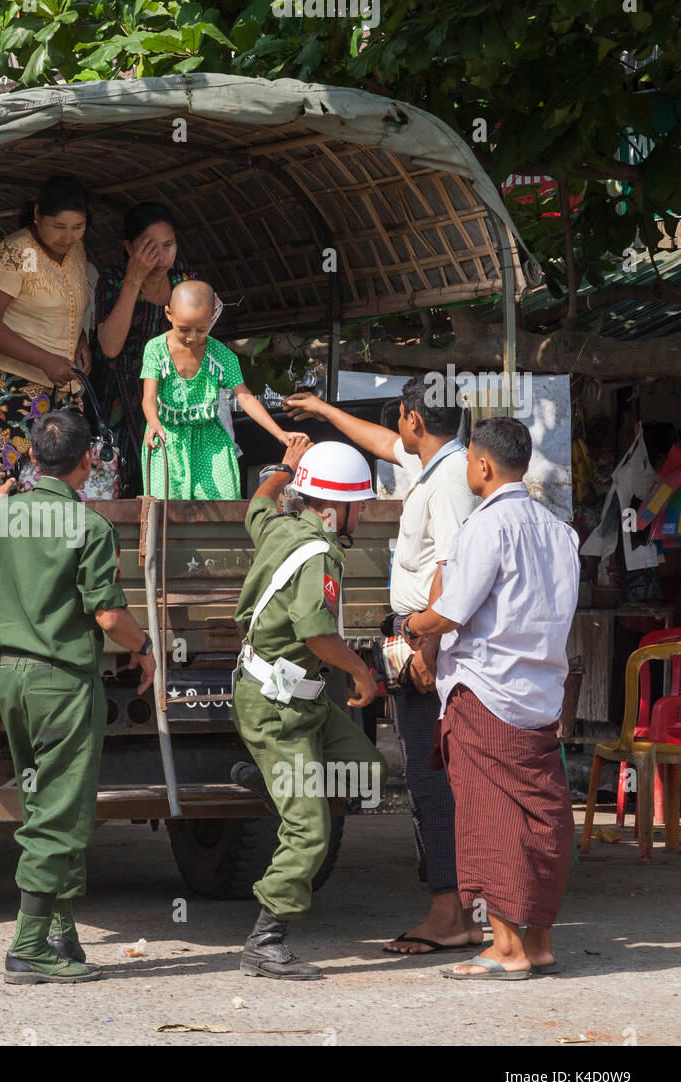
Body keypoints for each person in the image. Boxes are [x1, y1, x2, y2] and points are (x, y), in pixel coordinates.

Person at [0, 410, 156, 984]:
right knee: (61, 813)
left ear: (34, 461)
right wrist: (143, 650)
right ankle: (28, 945)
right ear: (88, 460)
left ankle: (62, 933)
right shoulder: (88, 527)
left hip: (12, 681)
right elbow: (110, 616)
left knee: (47, 804)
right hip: (63, 683)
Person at [286, 377, 481, 956]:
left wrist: (425, 650)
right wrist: (323, 409)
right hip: (420, 638)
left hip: (426, 642)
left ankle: (449, 914)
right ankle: (461, 910)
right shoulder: (436, 462)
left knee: (430, 781)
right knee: (434, 777)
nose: (395, 428)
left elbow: (449, 571)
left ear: (413, 418)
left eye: (399, 417)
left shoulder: (446, 482)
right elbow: (379, 442)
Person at [402, 417, 580, 980]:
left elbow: (451, 611)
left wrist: (410, 626)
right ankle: (540, 941)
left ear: (481, 465)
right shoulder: (561, 532)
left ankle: (506, 948)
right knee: (542, 818)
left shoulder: (487, 527)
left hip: (486, 692)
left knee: (490, 819)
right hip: (541, 696)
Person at [231, 437, 385, 980]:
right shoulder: (318, 552)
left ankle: (271, 783)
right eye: (359, 503)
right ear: (333, 507)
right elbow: (318, 634)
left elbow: (256, 503)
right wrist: (362, 671)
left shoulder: (280, 527)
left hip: (298, 703)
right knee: (311, 832)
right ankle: (265, 940)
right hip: (277, 706)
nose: (363, 512)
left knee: (367, 769)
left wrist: (283, 469)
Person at [0, 176, 92, 481]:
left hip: (63, 385)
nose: (68, 237)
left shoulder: (76, 250)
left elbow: (71, 304)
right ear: (37, 215)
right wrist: (45, 361)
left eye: (78, 227)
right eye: (59, 226)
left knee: (64, 480)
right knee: (13, 481)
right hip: (12, 387)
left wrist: (81, 340)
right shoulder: (14, 252)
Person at [140, 281, 305, 499]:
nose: (191, 337)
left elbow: (245, 398)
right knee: (163, 509)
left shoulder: (222, 356)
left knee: (222, 503)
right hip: (167, 437)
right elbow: (148, 397)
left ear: (211, 318)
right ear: (169, 314)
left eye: (201, 329)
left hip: (210, 442)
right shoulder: (155, 349)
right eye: (184, 329)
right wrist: (154, 423)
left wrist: (280, 433)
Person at [93, 202, 202, 488]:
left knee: (172, 478)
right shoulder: (113, 281)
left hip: (173, 395)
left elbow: (200, 340)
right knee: (124, 478)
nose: (161, 255)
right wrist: (134, 278)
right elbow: (110, 347)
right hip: (121, 395)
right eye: (149, 247)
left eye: (168, 244)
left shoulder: (185, 280)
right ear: (129, 248)